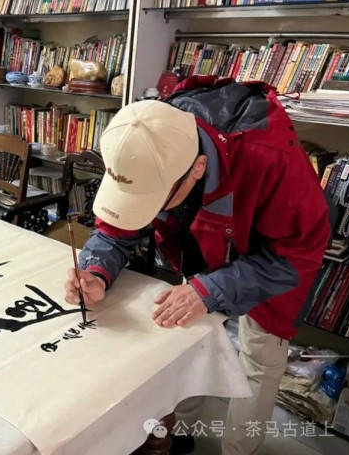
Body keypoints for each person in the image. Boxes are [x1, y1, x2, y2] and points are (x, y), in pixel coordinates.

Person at [64, 76, 330, 455]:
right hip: (204, 236)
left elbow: (298, 252)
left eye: (155, 200)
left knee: (259, 358)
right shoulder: (146, 135)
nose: (147, 213)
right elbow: (117, 226)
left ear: (197, 168)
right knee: (189, 341)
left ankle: (239, 450)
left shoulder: (269, 155)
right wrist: (95, 269)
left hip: (274, 253)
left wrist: (211, 289)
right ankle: (179, 433)